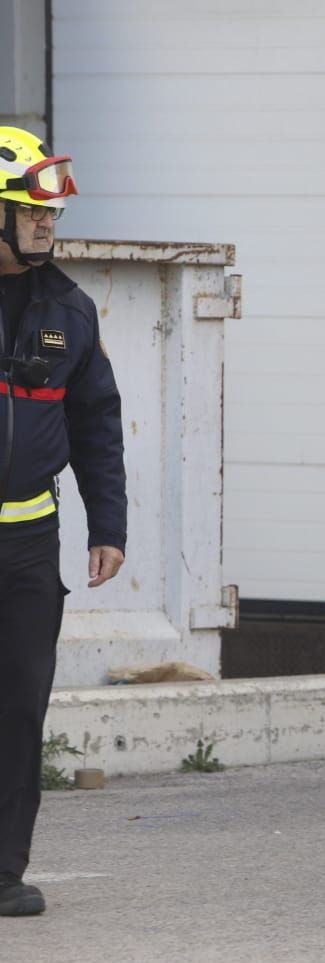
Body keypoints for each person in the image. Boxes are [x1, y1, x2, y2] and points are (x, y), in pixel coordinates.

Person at [0, 127, 126, 918]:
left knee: (18, 708)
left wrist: (105, 525)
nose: (48, 223)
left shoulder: (69, 312)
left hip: (27, 550)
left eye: (51, 212)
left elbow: (97, 424)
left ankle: (4, 875)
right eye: (30, 209)